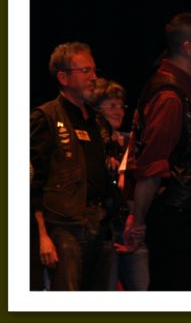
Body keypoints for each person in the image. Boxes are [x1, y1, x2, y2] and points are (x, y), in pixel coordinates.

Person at [120, 12, 191, 291]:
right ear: (188, 47)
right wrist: (139, 221)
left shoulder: (179, 89)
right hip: (173, 217)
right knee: (170, 289)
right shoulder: (169, 94)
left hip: (180, 214)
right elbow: (150, 166)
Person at [30, 42, 115, 290]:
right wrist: (42, 235)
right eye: (86, 71)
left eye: (94, 70)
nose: (94, 77)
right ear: (63, 77)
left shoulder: (97, 120)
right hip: (64, 227)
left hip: (100, 222)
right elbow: (32, 182)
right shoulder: (46, 117)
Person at [90, 78, 150, 291]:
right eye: (112, 106)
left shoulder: (132, 142)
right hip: (104, 228)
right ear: (97, 110)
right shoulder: (91, 143)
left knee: (143, 289)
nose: (119, 111)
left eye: (121, 106)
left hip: (131, 226)